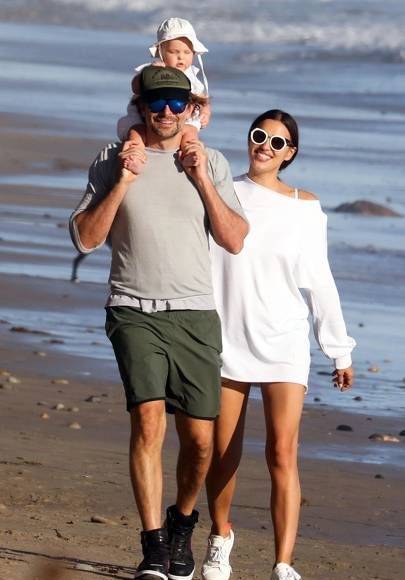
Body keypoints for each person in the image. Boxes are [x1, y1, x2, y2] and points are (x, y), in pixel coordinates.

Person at [69, 65, 248, 580]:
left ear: (189, 108)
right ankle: (153, 546)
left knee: (200, 442)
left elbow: (235, 238)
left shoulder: (211, 161)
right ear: (141, 106)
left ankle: (181, 522)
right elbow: (86, 238)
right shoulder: (112, 159)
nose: (165, 112)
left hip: (194, 313)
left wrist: (201, 178)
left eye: (175, 103)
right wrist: (124, 180)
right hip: (133, 309)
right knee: (147, 421)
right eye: (156, 103)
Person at [202, 109, 356, 580]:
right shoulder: (220, 189)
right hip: (227, 339)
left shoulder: (305, 208)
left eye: (277, 142)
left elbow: (320, 280)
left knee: (282, 452)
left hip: (284, 341)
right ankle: (220, 538)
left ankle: (283, 564)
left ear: (290, 153)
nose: (264, 147)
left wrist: (339, 348)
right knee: (221, 451)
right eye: (259, 136)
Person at [117, 17, 211, 173]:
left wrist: (206, 111)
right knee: (137, 132)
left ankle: (190, 153)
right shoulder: (154, 69)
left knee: (190, 132)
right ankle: (135, 156)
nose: (181, 57)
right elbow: (135, 88)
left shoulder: (191, 76)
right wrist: (147, 75)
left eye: (187, 52)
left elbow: (201, 97)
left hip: (181, 117)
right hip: (145, 115)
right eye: (174, 52)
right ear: (160, 51)